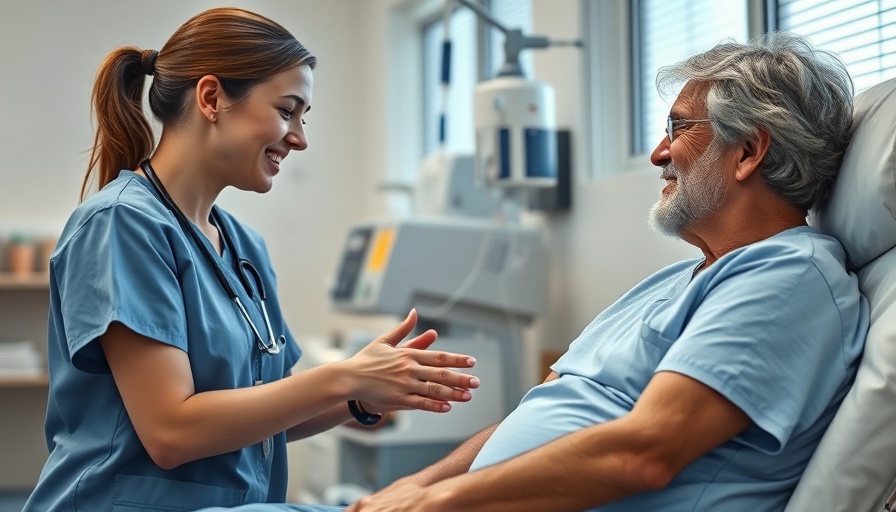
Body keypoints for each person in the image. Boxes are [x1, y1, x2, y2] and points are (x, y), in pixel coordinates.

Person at [341, 33, 870, 512]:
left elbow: (645, 453)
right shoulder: (673, 283)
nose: (658, 153)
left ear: (749, 151)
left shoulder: (788, 278)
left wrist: (438, 501)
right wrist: (413, 489)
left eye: (679, 129)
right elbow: (540, 406)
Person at [23, 7, 480, 512]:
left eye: (303, 118)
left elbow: (267, 408)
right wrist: (343, 376)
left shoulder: (244, 247)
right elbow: (171, 431)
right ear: (212, 98)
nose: (300, 138)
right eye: (287, 110)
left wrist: (360, 397)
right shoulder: (121, 224)